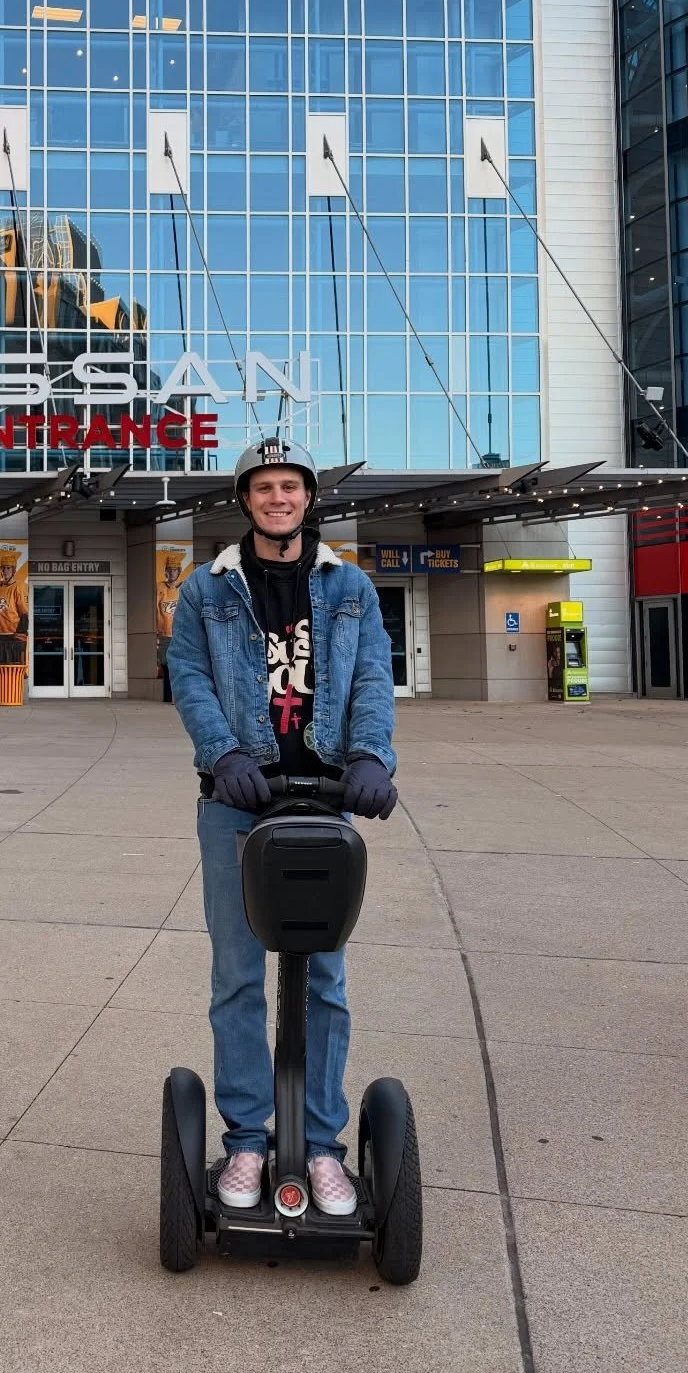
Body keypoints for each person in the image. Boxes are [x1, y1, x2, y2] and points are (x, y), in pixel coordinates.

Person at [167, 438, 398, 1217]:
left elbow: (371, 673)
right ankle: (247, 1141)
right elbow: (190, 676)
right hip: (237, 799)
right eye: (263, 487)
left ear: (307, 499)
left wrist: (371, 756)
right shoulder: (207, 589)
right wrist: (222, 750)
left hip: (325, 795)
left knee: (323, 980)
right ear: (246, 500)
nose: (278, 499)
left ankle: (324, 1147)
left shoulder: (350, 586)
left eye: (290, 487)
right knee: (237, 977)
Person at [0, 549, 29, 666]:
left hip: (12, 635)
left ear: (13, 570)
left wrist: (21, 633)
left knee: (13, 666)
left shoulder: (18, 587)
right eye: (3, 568)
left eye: (8, 568)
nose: (5, 571)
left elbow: (24, 613)